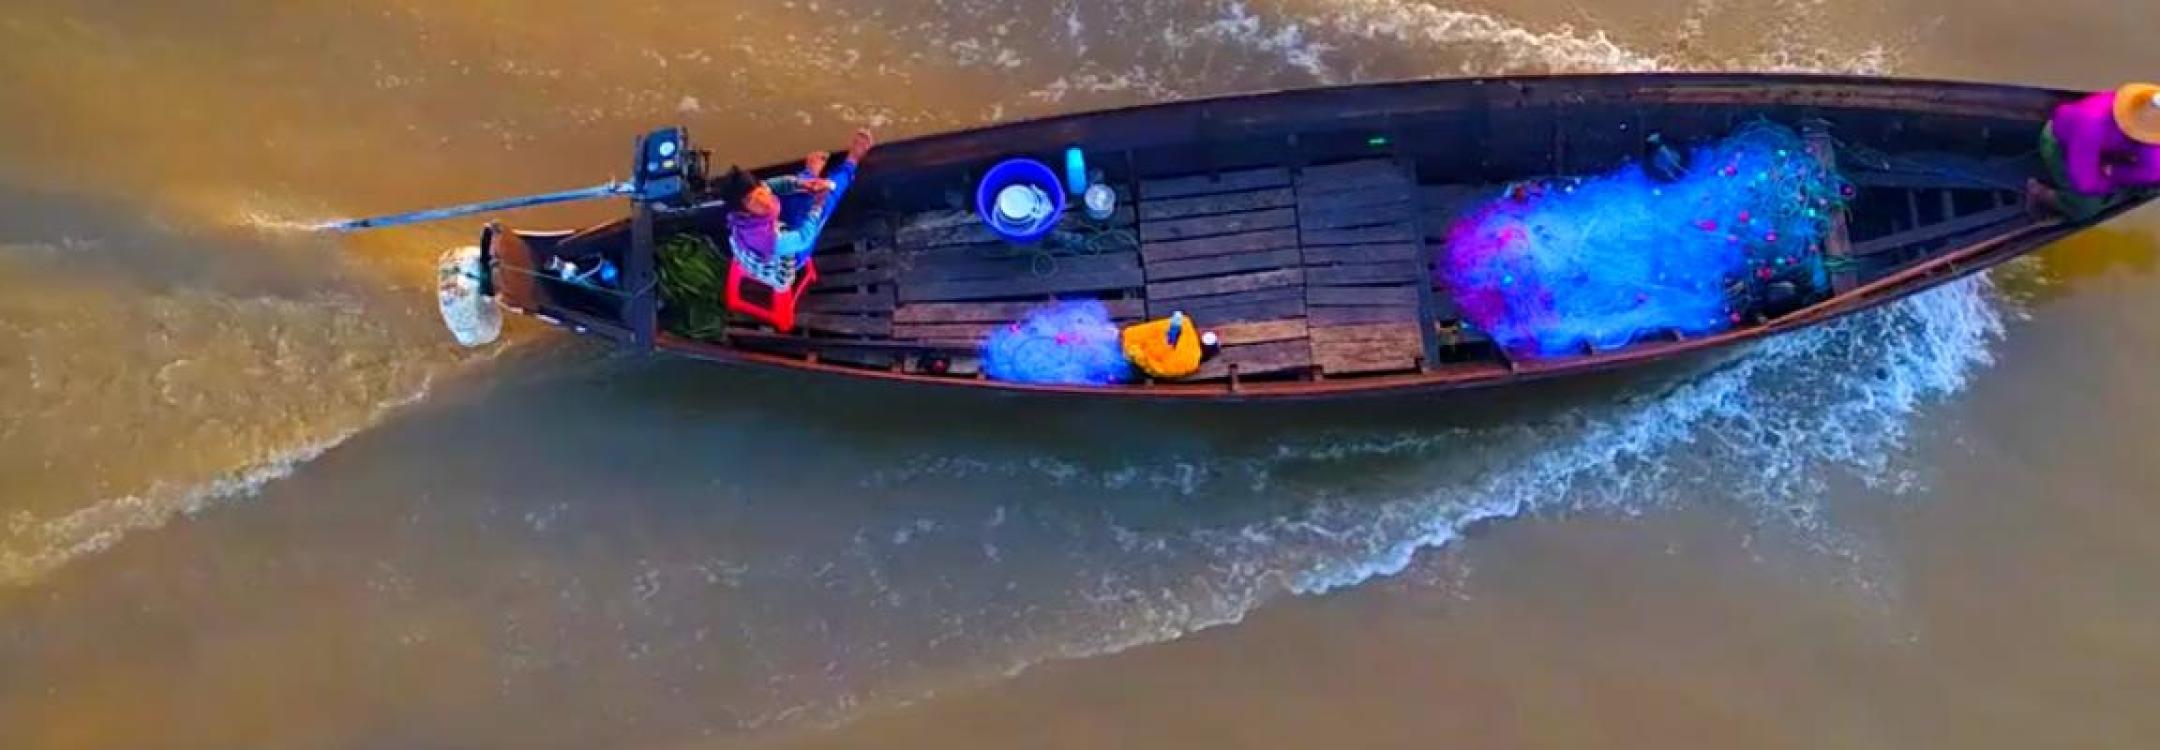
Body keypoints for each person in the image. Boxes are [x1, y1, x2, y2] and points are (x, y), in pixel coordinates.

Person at [717, 128, 875, 286]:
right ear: (744, 212)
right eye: (753, 201)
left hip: (765, 240)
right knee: (825, 201)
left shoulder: (751, 199)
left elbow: (772, 185)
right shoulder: (770, 240)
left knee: (800, 191)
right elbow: (804, 237)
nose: (763, 201)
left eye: (760, 193)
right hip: (790, 255)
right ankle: (852, 161)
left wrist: (804, 183)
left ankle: (810, 173)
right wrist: (818, 205)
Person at [2032, 82, 2160, 219]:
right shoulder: (2090, 124)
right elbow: (2086, 183)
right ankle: (2041, 194)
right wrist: (2112, 182)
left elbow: (2154, 168)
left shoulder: (2150, 115)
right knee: (2086, 208)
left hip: (2114, 148)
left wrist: (2114, 172)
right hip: (2065, 144)